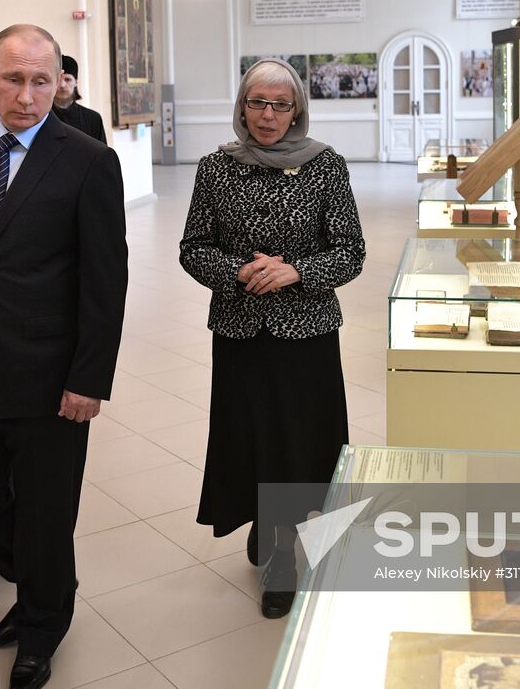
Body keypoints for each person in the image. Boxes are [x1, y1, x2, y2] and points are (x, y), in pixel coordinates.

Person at [0, 24, 128, 689]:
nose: (28, 95)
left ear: (59, 81)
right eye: (13, 79)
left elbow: (105, 280)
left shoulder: (86, 159)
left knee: (44, 513)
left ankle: (42, 624)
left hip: (50, 378)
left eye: (42, 80)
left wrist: (89, 378)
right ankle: (49, 580)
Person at [179, 57, 365, 619]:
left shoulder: (325, 166)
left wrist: (297, 272)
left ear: (297, 110)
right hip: (241, 330)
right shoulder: (216, 169)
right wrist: (239, 271)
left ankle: (284, 550)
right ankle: (266, 519)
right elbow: (193, 247)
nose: (267, 115)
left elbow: (350, 250)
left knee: (300, 437)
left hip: (305, 331)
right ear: (241, 107)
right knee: (252, 434)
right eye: (257, 103)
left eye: (280, 104)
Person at [50, 54, 107, 143]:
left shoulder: (92, 119)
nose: (62, 85)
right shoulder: (41, 117)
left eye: (67, 79)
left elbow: (103, 155)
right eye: (58, 79)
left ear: (76, 82)